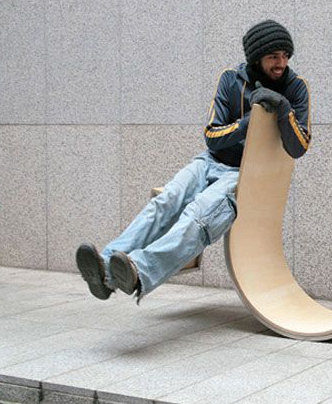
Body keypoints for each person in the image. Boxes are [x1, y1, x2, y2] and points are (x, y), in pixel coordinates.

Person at [75, 20, 310, 301]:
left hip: (248, 174)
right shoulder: (230, 79)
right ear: (256, 57)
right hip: (210, 161)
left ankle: (138, 271)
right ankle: (105, 266)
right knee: (165, 201)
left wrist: (283, 110)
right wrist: (249, 122)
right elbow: (212, 135)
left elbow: (299, 147)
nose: (281, 63)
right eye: (274, 56)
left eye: (285, 56)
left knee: (198, 216)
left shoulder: (296, 88)